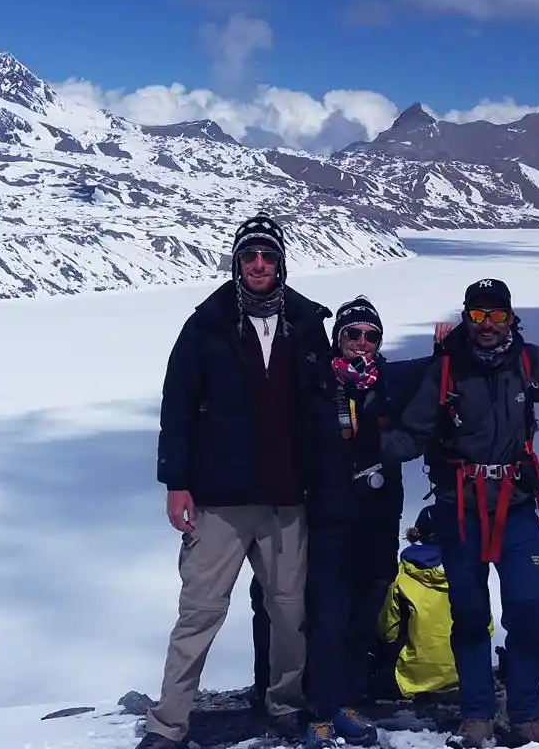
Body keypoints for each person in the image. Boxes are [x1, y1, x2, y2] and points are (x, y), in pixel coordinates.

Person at [381, 275, 539, 747]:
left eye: (497, 315)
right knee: (468, 616)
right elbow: (414, 433)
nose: (488, 325)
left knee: (527, 614)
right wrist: (362, 449)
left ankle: (526, 714)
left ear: (511, 318)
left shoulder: (528, 363)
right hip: (459, 512)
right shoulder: (445, 372)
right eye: (479, 315)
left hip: (517, 511)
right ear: (466, 317)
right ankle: (477, 715)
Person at [140, 214, 338, 749]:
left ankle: (283, 705)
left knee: (290, 614)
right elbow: (177, 408)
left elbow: (324, 407)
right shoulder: (206, 325)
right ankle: (168, 723)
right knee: (199, 613)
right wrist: (176, 482)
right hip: (219, 499)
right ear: (236, 261)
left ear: (280, 263)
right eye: (249, 255)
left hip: (285, 497)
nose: (257, 265)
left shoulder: (304, 323)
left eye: (267, 256)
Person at [250, 297, 434, 748]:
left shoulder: (390, 381)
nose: (362, 344)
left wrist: (450, 344)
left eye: (372, 336)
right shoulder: (315, 384)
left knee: (363, 614)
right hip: (328, 519)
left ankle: (348, 702)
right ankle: (319, 710)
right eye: (353, 334)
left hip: (378, 520)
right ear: (338, 339)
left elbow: (442, 367)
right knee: (327, 616)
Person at [374, 505, 479, 700]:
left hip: (412, 681)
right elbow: (486, 628)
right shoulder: (469, 572)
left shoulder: (403, 574)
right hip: (463, 676)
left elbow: (388, 632)